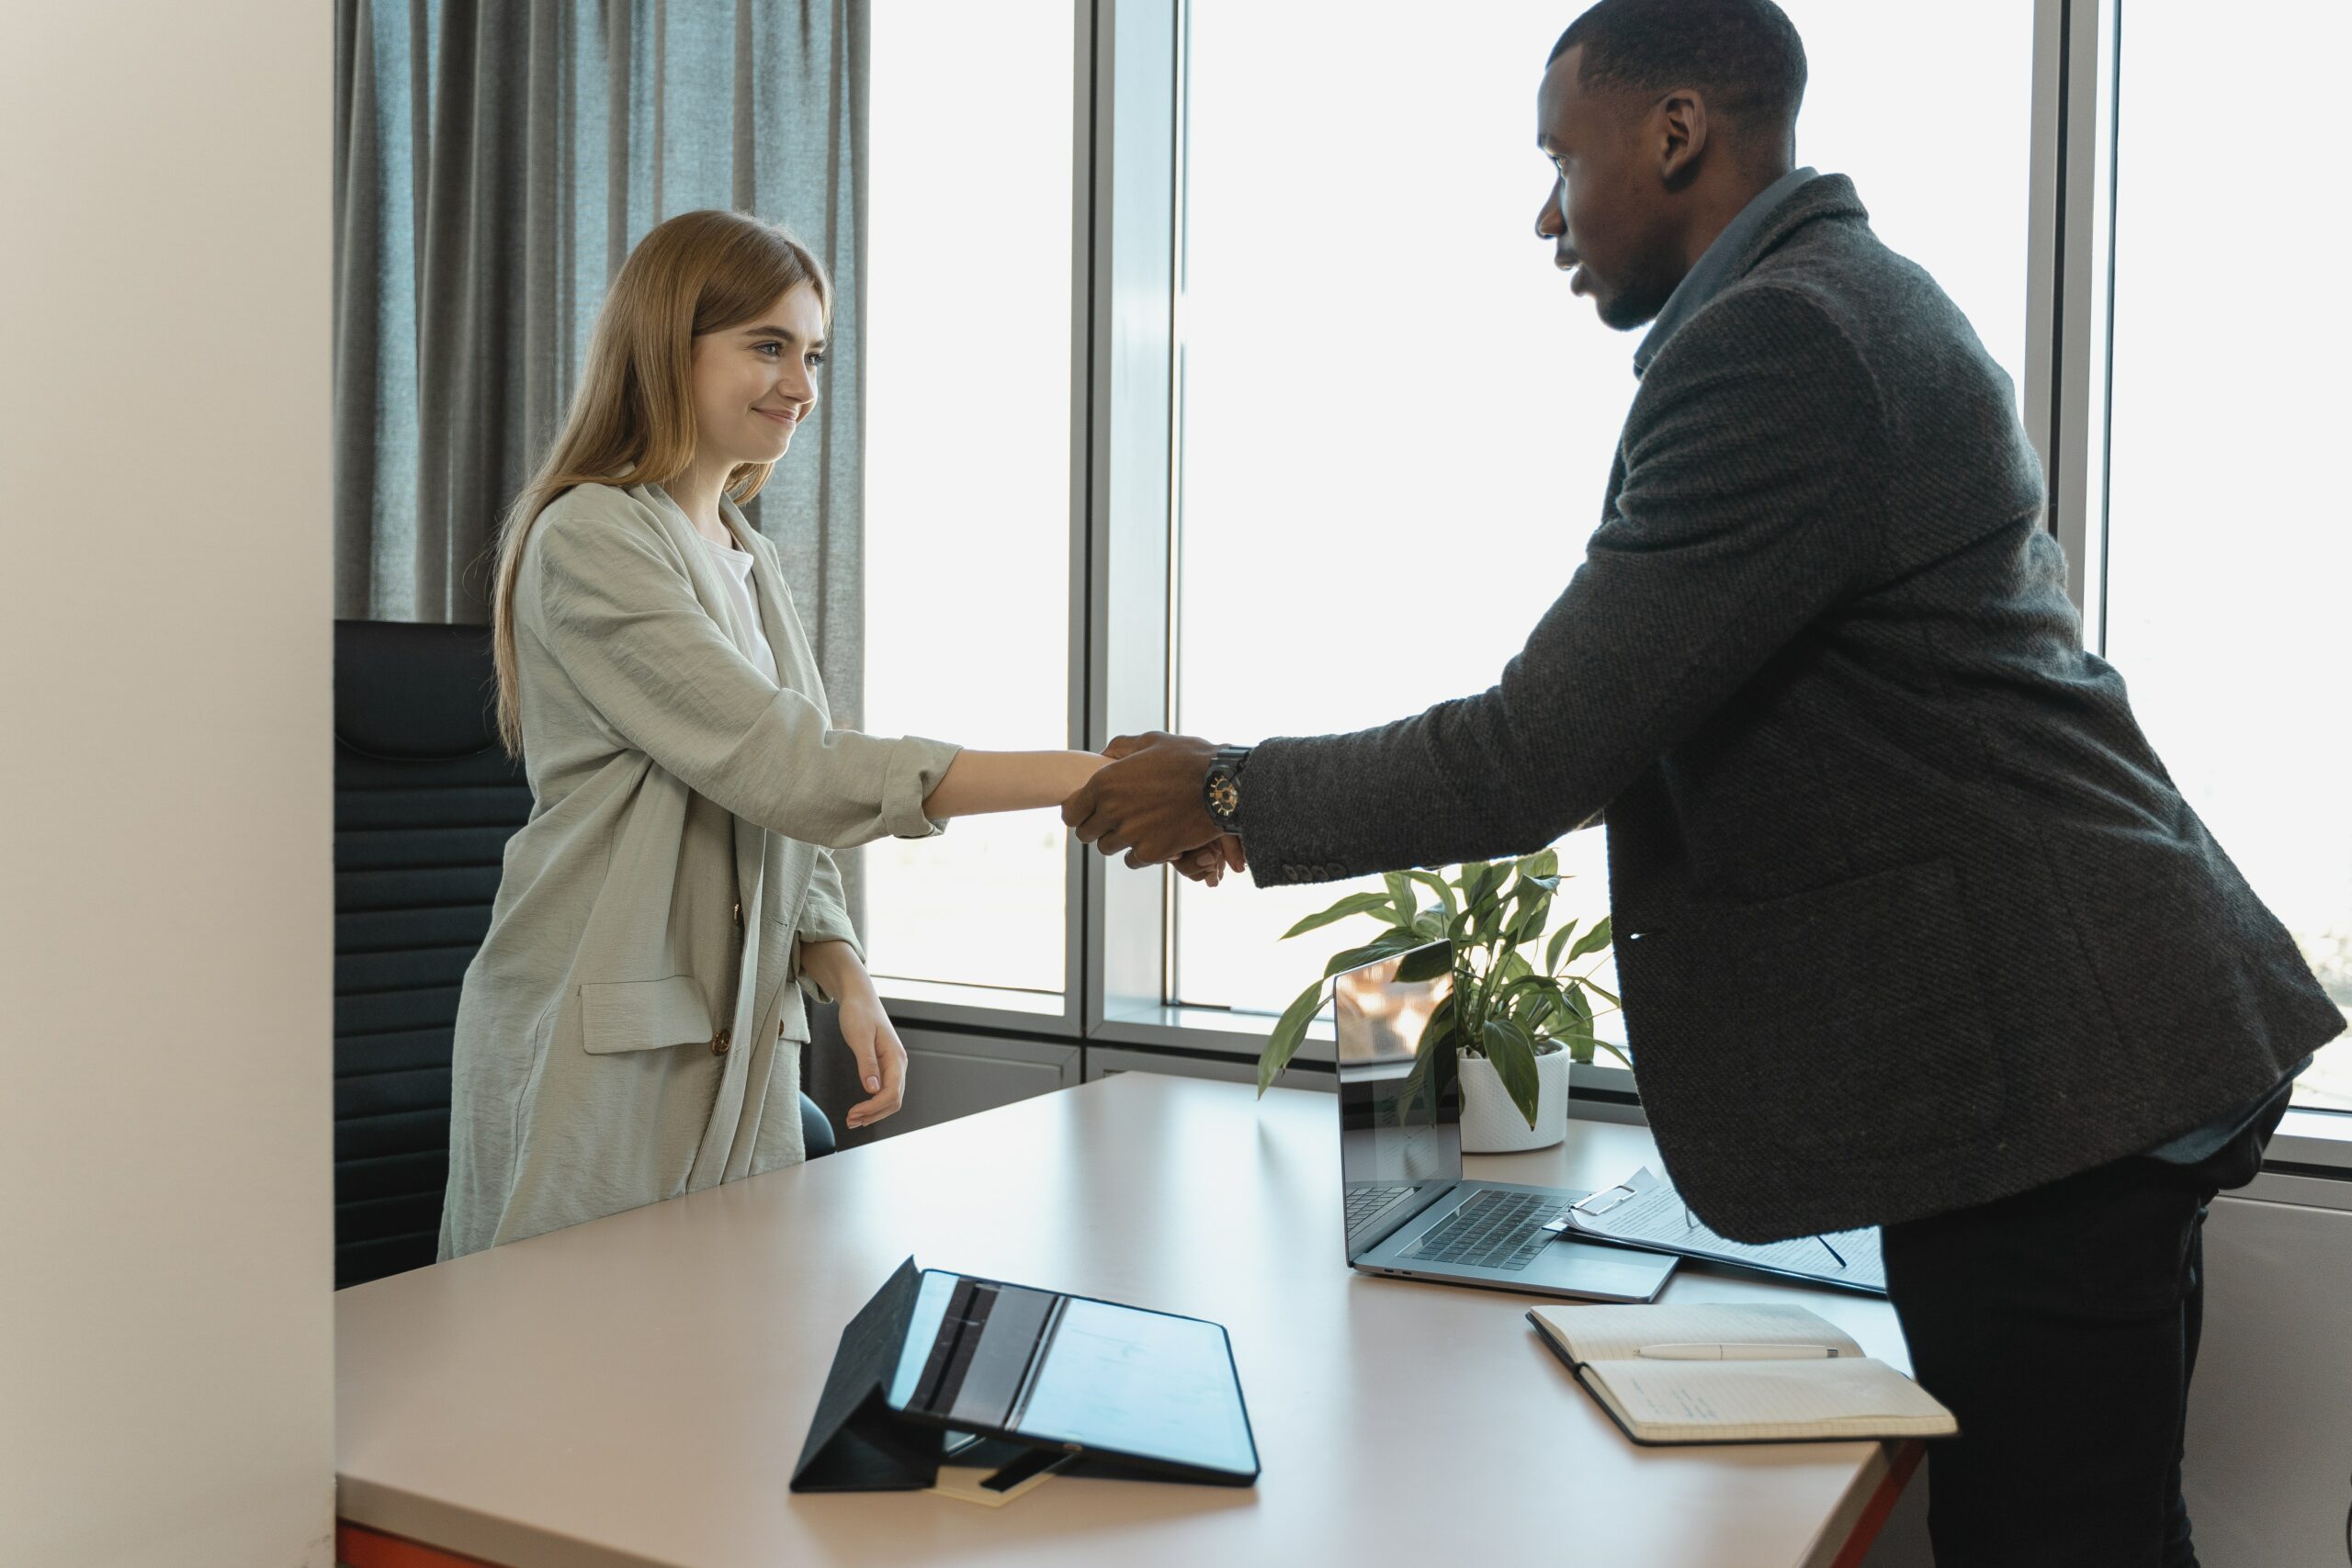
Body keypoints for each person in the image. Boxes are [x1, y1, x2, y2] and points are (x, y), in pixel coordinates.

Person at [1061, 3, 2344, 1563]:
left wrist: (1234, 793)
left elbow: (1544, 744)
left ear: (1674, 132)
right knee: (2090, 1526)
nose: (1548, 217)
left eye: (1562, 160)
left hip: (2062, 1063)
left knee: (2057, 1541)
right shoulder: (1841, 305)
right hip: (2094, 1033)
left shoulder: (1784, 343)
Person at [441, 209, 1104, 1260]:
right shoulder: (592, 535)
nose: (800, 386)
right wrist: (1086, 779)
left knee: (724, 1360)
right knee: (557, 1373)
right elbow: (792, 768)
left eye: (812, 354)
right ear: (668, 343)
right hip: (597, 1038)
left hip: (744, 1040)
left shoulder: (749, 556)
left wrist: (843, 970)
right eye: (767, 346)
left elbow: (773, 801)